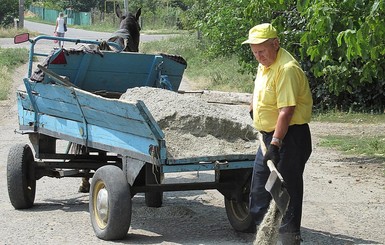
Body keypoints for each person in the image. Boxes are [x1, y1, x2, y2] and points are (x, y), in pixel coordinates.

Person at [242, 23, 313, 244]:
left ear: (276, 44)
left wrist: (275, 144)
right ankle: (265, 238)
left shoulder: (287, 68)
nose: (258, 56)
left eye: (261, 50)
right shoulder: (264, 64)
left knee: (286, 193)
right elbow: (258, 89)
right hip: (268, 137)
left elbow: (287, 111)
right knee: (259, 191)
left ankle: (289, 238)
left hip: (289, 137)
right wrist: (254, 107)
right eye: (254, 52)